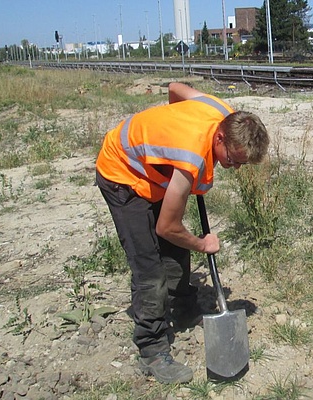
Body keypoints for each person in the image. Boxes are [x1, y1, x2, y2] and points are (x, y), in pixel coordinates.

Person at [95, 82, 269, 383]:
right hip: (121, 173)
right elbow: (167, 226)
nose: (235, 168)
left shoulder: (222, 111)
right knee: (149, 268)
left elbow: (175, 88)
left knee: (175, 250)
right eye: (232, 160)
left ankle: (184, 308)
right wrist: (203, 244)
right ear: (219, 137)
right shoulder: (189, 159)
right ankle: (152, 349)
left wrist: (173, 127)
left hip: (154, 169)